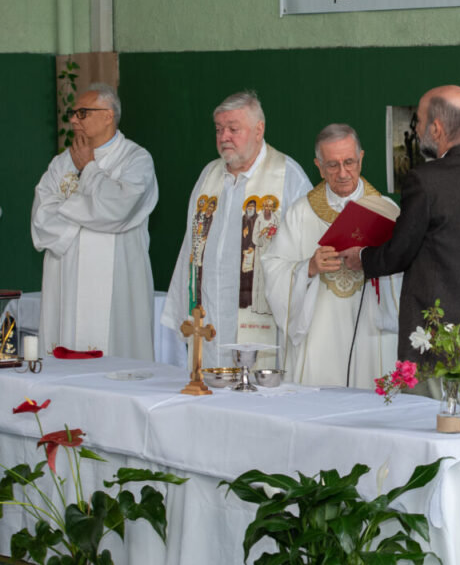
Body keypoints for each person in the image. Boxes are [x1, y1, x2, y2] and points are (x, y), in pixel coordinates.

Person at [339, 85, 460, 565]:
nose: (415, 131)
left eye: (417, 122)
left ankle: (430, 559)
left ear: (437, 128)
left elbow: (399, 252)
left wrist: (361, 258)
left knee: (427, 452)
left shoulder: (425, 181)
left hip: (434, 343)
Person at [162, 91, 312, 368]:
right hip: (209, 315)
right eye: (219, 129)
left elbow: (307, 255)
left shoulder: (289, 178)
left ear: (259, 130)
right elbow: (190, 248)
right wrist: (183, 307)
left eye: (233, 128)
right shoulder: (209, 176)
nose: (224, 137)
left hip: (262, 316)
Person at [262, 124, 401, 387]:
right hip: (318, 331)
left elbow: (408, 275)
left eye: (349, 162)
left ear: (361, 158)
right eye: (332, 165)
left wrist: (373, 262)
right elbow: (273, 267)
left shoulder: (386, 210)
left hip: (371, 331)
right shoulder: (300, 213)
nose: (343, 173)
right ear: (318, 166)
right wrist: (309, 268)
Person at [30, 82, 158, 360]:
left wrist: (88, 170)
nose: (74, 120)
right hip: (66, 280)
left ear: (108, 115)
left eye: (82, 113)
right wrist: (91, 212)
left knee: (116, 362)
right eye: (73, 114)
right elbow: (41, 220)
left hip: (117, 288)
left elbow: (116, 210)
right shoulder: (62, 163)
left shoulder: (137, 160)